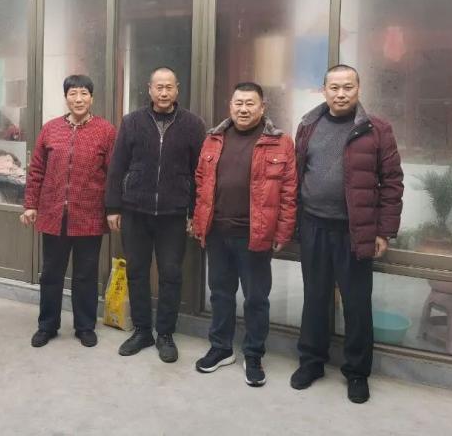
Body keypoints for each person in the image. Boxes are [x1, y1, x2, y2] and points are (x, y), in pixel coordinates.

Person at [290, 64, 403, 403]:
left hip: (354, 230)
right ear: (323, 90)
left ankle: (356, 373)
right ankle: (311, 362)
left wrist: (384, 231)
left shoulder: (377, 129)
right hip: (313, 225)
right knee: (315, 298)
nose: (341, 94)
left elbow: (392, 182)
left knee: (356, 303)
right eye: (334, 88)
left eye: (348, 87)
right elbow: (297, 174)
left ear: (359, 89)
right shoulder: (308, 125)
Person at [192, 82, 297, 386]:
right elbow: (201, 183)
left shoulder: (280, 143)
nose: (243, 109)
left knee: (256, 299)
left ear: (262, 108)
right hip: (217, 232)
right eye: (238, 103)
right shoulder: (213, 139)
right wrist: (199, 221)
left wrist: (283, 231)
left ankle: (253, 354)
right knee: (220, 294)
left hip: (255, 235)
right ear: (230, 105)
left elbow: (289, 192)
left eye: (250, 103)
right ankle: (221, 348)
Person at [105, 67, 206, 363]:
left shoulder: (193, 125)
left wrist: (194, 212)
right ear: (149, 89)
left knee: (171, 274)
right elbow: (117, 166)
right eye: (158, 87)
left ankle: (165, 334)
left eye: (168, 87)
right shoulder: (132, 122)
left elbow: (200, 173)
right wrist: (113, 207)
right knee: (137, 272)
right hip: (135, 211)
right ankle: (142, 331)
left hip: (174, 214)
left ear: (177, 89)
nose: (163, 92)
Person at [21, 75, 116, 348]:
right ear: (66, 98)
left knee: (86, 275)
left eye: (84, 93)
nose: (78, 99)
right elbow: (36, 170)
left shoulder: (106, 131)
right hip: (54, 214)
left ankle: (85, 326)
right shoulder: (50, 129)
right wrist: (31, 204)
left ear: (92, 98)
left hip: (89, 215)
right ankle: (47, 326)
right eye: (73, 93)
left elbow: (113, 174)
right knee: (51, 273)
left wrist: (113, 209)